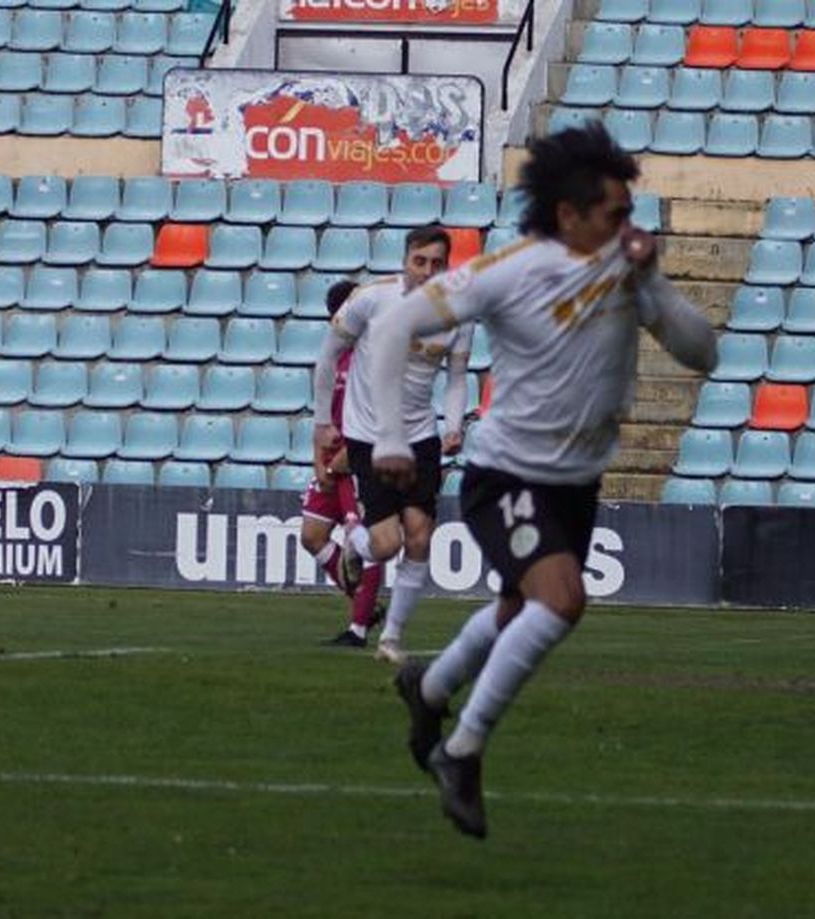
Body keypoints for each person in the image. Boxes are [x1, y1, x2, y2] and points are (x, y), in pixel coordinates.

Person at [369, 124, 717, 838]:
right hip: (507, 473)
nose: (630, 224)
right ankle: (461, 749)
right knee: (560, 601)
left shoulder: (625, 269)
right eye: (615, 212)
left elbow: (700, 351)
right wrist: (392, 436)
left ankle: (427, 686)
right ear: (569, 215)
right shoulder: (512, 269)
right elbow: (398, 320)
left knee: (513, 614)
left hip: (575, 482)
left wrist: (652, 277)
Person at [310, 226, 466, 665]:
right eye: (420, 261)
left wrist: (453, 426)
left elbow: (456, 377)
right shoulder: (371, 299)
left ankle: (390, 638)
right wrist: (323, 423)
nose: (428, 271)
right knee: (387, 543)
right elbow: (327, 357)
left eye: (437, 263)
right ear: (405, 261)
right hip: (369, 437)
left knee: (420, 537)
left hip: (420, 436)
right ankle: (354, 548)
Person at [301, 278, 387, 648]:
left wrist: (343, 461)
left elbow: (378, 419)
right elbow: (321, 417)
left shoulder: (373, 359)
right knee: (311, 536)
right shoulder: (331, 358)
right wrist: (320, 463)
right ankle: (364, 605)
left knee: (363, 541)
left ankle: (357, 630)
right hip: (331, 463)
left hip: (359, 462)